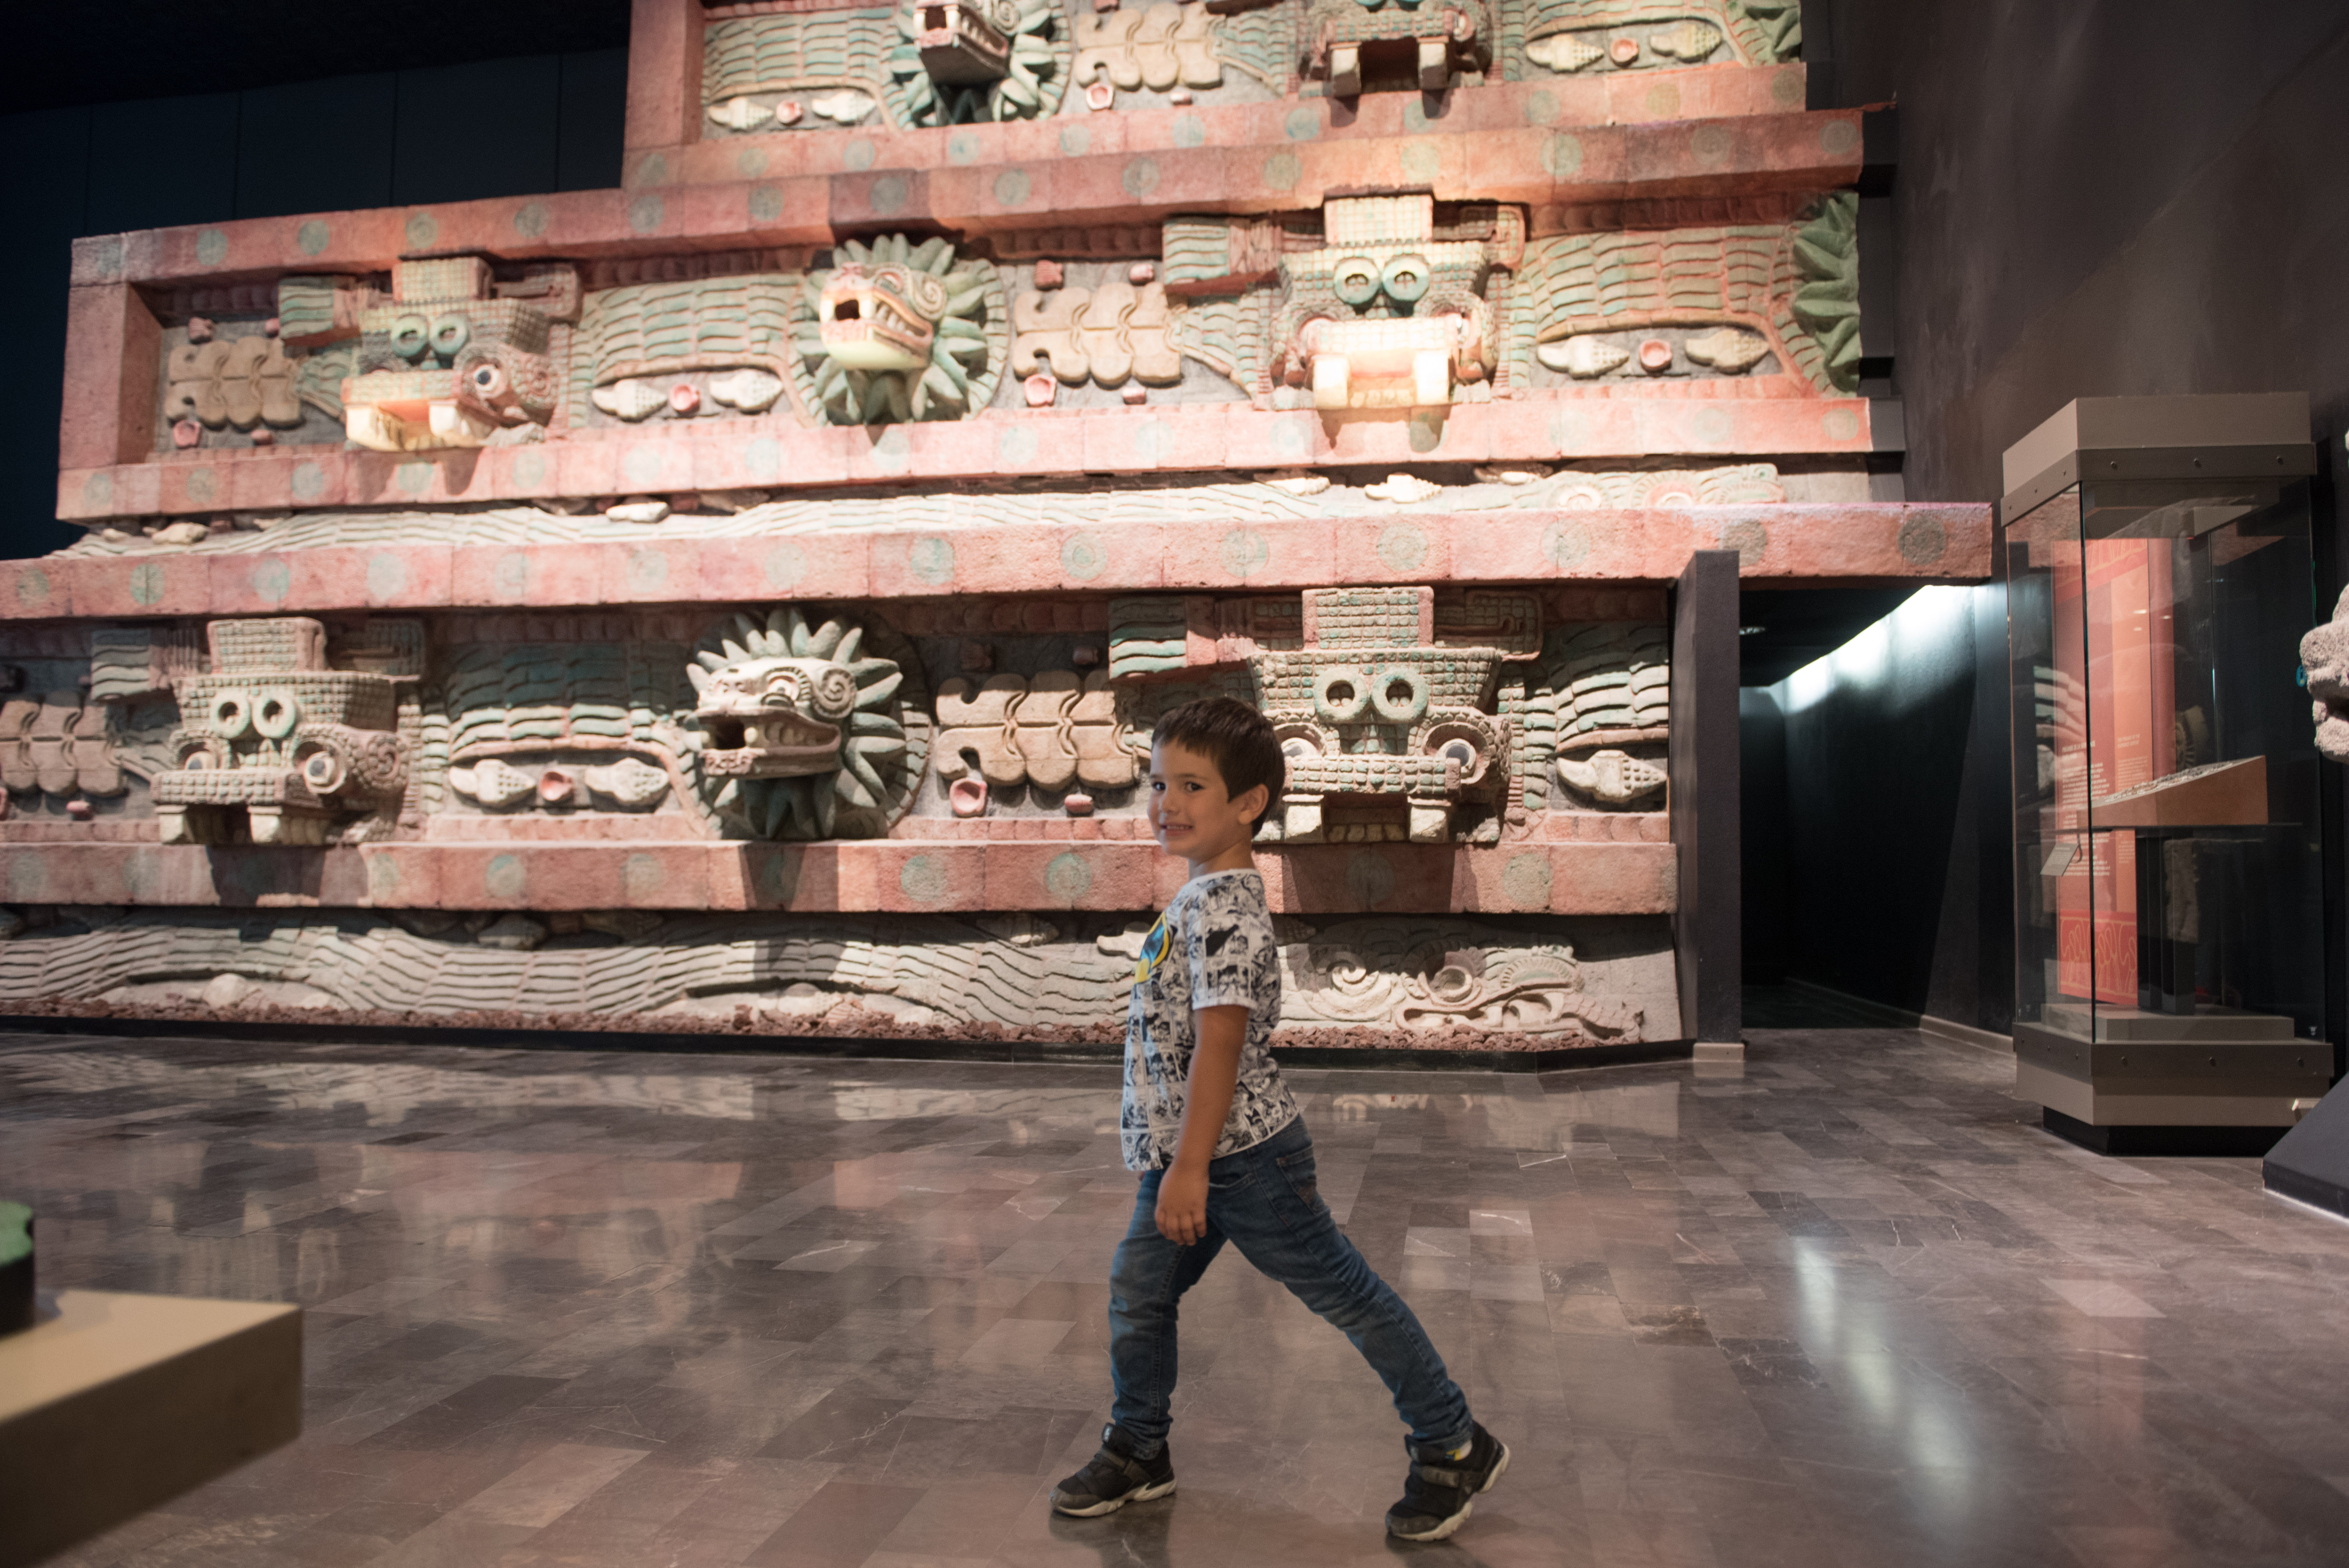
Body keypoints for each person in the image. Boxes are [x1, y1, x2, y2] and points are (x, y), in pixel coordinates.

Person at [1047, 695, 1508, 1542]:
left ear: (1249, 802)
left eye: (1192, 786)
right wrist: (1179, 1163)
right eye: (1159, 783)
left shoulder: (1224, 906)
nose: (1167, 803)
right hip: (1194, 1155)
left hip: (1241, 1160)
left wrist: (1190, 1169)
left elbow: (1221, 1045)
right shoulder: (1201, 896)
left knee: (1344, 1294)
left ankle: (1452, 1441)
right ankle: (1139, 1447)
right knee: (1140, 1291)